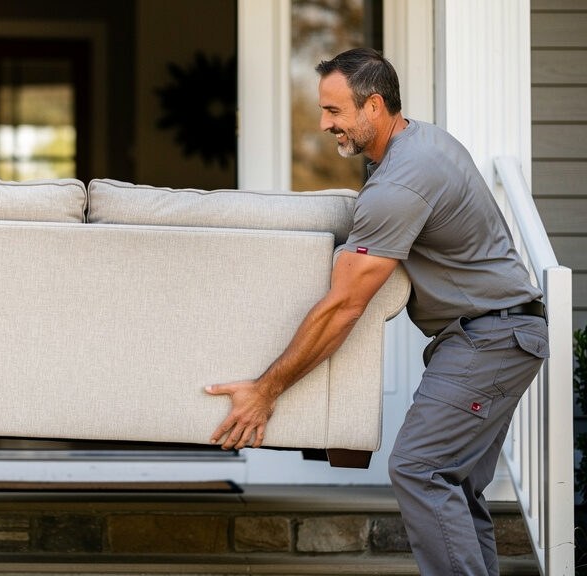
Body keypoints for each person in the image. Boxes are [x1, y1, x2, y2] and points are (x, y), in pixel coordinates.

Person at [205, 47, 549, 576]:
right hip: (500, 333)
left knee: (419, 468)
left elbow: (343, 307)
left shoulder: (400, 182)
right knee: (454, 486)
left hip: (491, 340)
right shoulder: (423, 142)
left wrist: (265, 391)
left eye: (334, 111)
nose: (324, 124)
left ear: (374, 106)